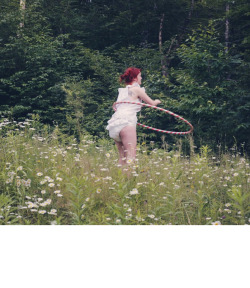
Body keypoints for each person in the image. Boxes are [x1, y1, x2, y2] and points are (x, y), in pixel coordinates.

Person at [106, 67, 161, 165]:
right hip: (126, 122)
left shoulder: (122, 91)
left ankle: (120, 178)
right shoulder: (137, 89)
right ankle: (128, 179)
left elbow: (117, 106)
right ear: (135, 78)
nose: (141, 78)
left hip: (114, 123)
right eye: (140, 76)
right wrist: (157, 101)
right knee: (131, 155)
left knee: (122, 156)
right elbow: (151, 103)